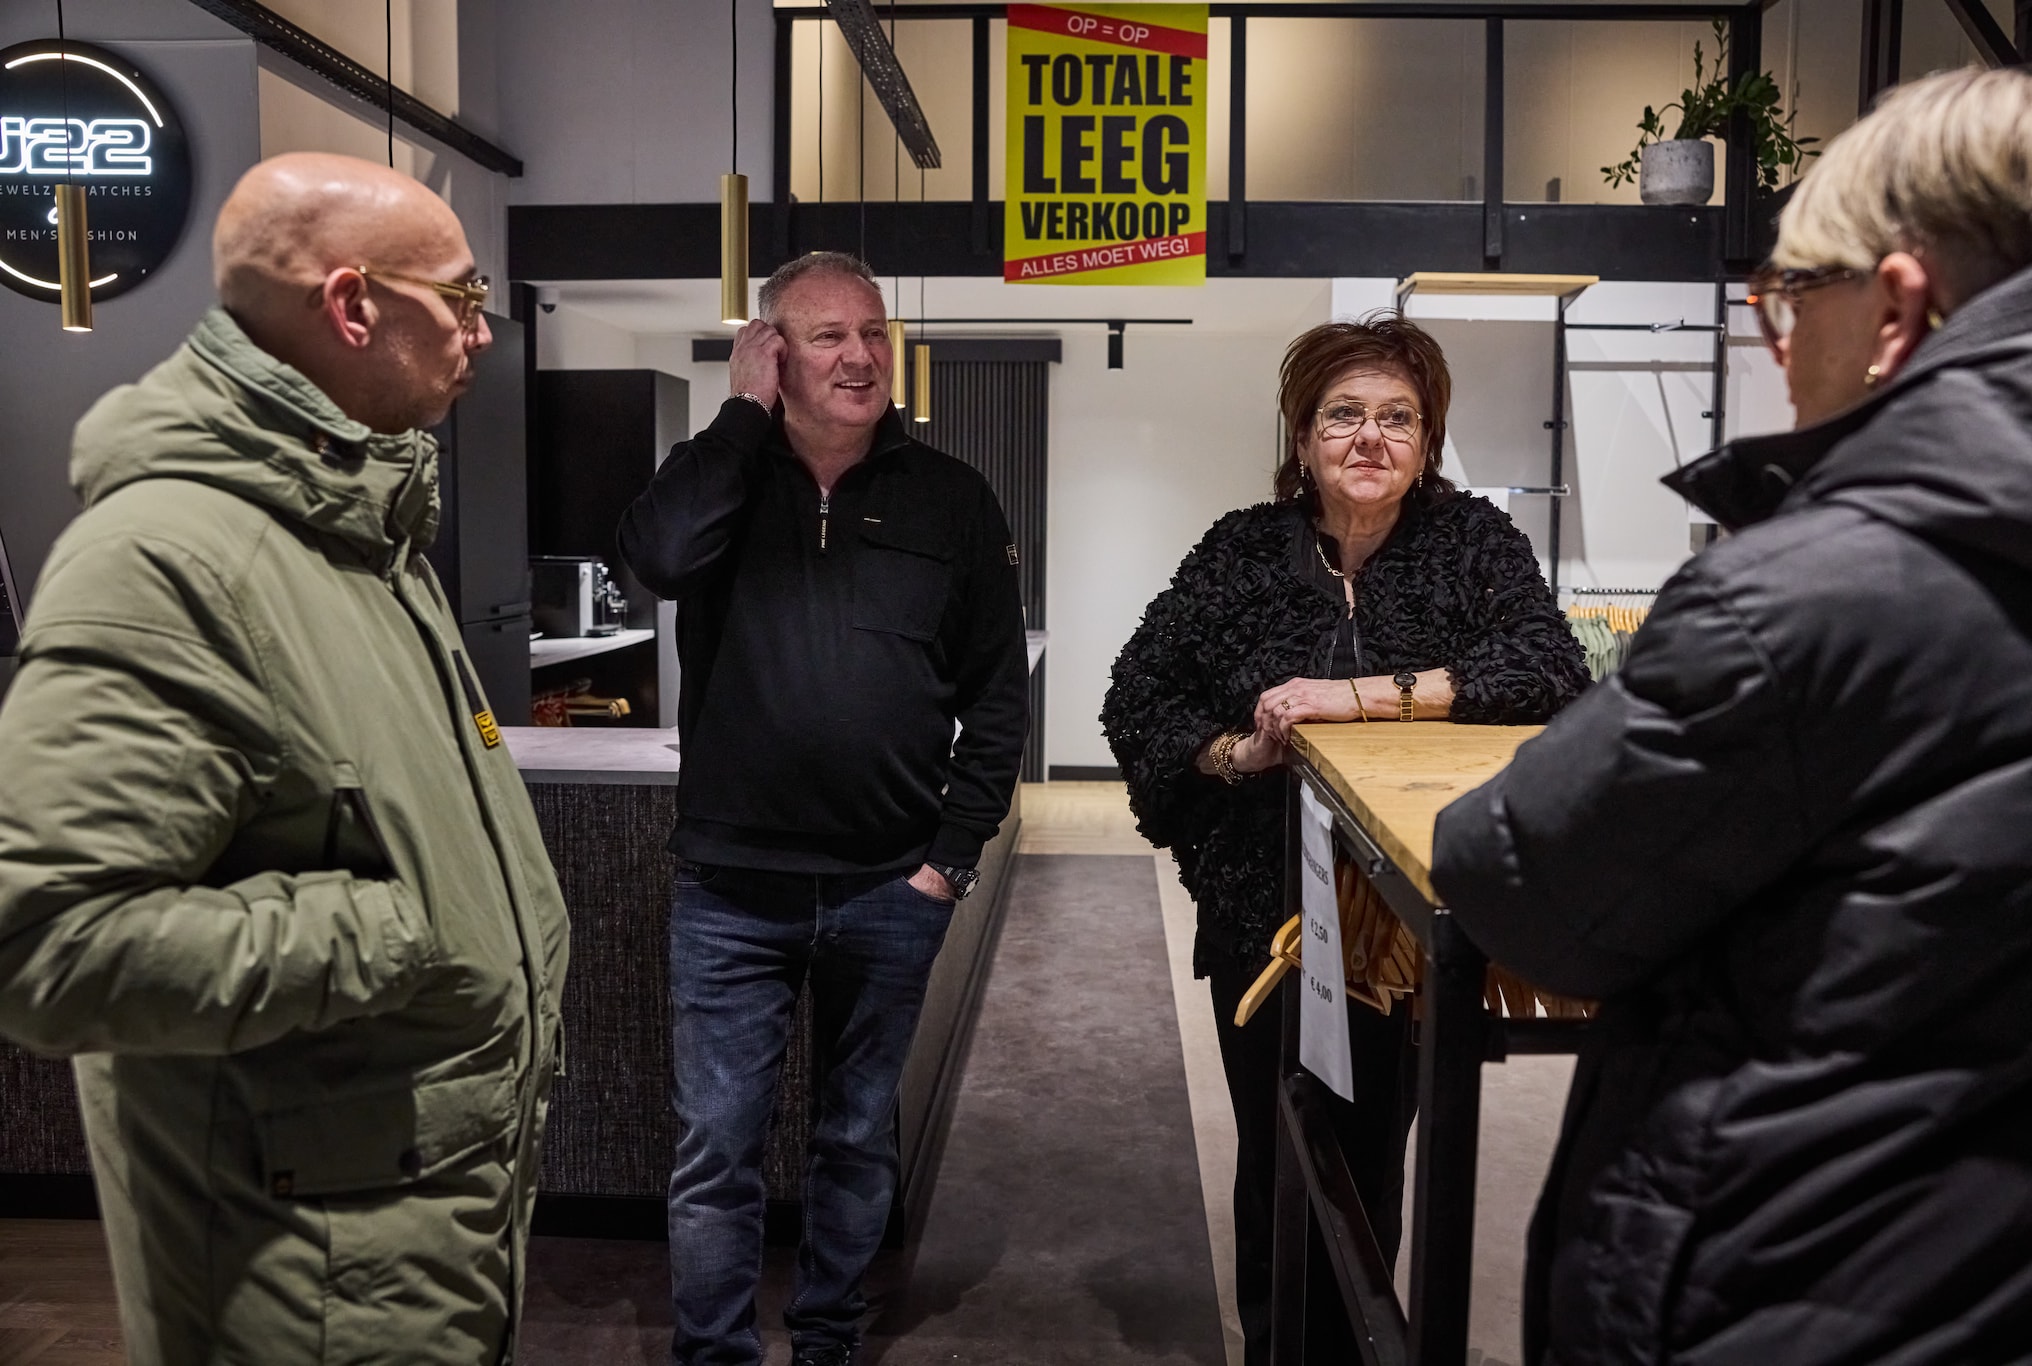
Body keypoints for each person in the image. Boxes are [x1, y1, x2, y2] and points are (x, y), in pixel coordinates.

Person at [1431, 67, 2032, 1366]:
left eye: (1788, 295)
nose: (1775, 340)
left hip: (1812, 1277)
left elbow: (1520, 872)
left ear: (1895, 306)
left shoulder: (1818, 590)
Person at [0, 153, 569, 1363]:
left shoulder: (358, 536)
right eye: (462, 301)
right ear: (355, 305)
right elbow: (43, 943)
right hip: (308, 1282)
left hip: (409, 1239)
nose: (480, 335)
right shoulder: (169, 561)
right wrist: (392, 935)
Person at [1100, 311, 1590, 1363]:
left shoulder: (1471, 545)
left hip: (1404, 925)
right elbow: (1138, 698)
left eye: (1396, 418)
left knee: (1370, 1159)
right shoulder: (1239, 552)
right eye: (1343, 415)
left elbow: (1550, 672)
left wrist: (1363, 696)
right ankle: (1279, 1344)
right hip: (1261, 915)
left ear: (1426, 439)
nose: (1369, 438)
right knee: (1276, 1152)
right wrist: (1239, 755)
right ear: (1302, 435)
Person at [617, 251, 1029, 1366]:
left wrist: (949, 859)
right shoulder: (718, 480)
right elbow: (653, 559)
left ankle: (828, 1341)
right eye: (824, 335)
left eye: (871, 333)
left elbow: (997, 697)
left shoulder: (949, 497)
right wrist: (737, 421)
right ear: (770, 351)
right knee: (717, 1146)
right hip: (729, 888)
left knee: (852, 1138)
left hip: (888, 886)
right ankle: (713, 1353)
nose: (857, 356)